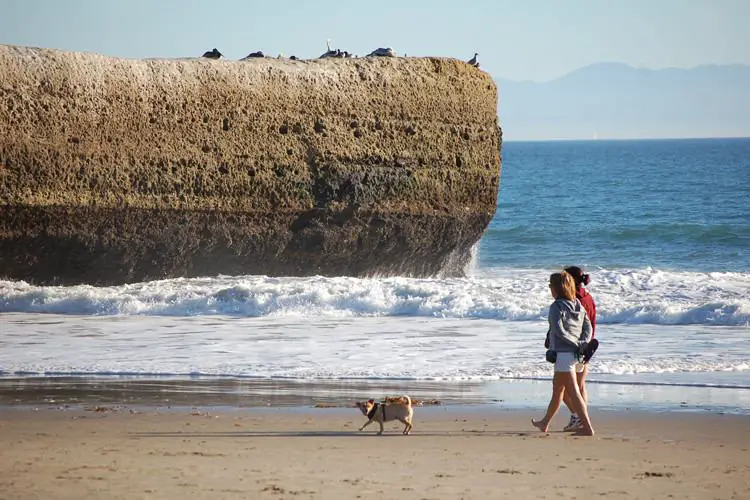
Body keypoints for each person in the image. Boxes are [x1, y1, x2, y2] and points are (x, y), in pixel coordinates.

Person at [532, 271, 595, 436]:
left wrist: (575, 345)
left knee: (573, 392)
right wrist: (583, 344)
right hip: (577, 355)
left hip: (564, 354)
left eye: (550, 286)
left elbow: (558, 331)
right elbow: (588, 327)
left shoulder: (556, 306)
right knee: (557, 390)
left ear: (557, 288)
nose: (549, 289)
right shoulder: (578, 305)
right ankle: (544, 422)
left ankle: (587, 428)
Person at [561, 266, 597, 431]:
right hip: (587, 346)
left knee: (564, 389)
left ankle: (579, 417)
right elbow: (591, 324)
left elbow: (571, 326)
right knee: (580, 386)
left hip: (574, 347)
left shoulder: (574, 300)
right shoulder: (588, 298)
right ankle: (581, 419)